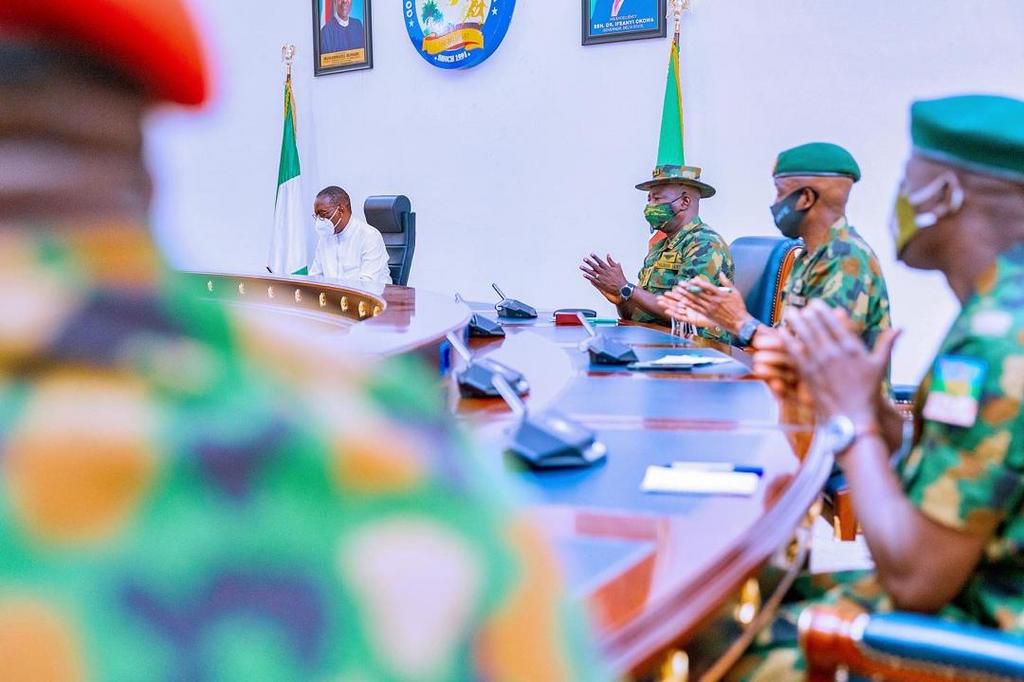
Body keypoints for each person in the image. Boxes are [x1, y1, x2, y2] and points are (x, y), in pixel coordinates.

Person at [0, 3, 607, 680]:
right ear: (145, 170)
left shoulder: (370, 242)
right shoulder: (410, 464)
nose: (320, 219)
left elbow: (370, 281)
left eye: (325, 213)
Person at [732, 95, 1024, 681]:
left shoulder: (997, 340)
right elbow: (959, 480)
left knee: (718, 644)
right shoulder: (995, 310)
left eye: (906, 179)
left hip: (972, 635)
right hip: (968, 595)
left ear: (944, 194)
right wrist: (882, 420)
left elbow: (915, 578)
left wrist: (853, 421)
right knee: (753, 593)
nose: (895, 201)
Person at [660, 143, 891, 354]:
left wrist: (742, 323)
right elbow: (789, 340)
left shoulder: (844, 258)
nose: (775, 203)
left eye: (780, 192)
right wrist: (720, 319)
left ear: (806, 198)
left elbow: (820, 361)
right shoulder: (809, 256)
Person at [580, 163, 733, 339]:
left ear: (684, 202)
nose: (650, 206)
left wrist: (626, 288)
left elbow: (684, 311)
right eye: (649, 200)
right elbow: (640, 316)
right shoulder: (659, 247)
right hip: (660, 342)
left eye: (657, 199)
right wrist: (621, 298)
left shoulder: (705, 244)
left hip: (701, 350)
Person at [309, 185, 392, 284]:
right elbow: (314, 278)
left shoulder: (369, 236)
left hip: (372, 298)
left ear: (341, 211)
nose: (320, 220)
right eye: (316, 215)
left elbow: (368, 284)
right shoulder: (325, 238)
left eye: (323, 214)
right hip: (336, 298)